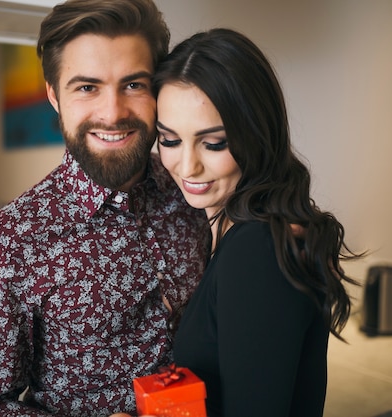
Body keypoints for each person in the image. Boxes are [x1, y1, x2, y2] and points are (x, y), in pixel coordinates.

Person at [0, 1, 210, 416]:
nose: (112, 113)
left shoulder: (195, 193)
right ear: (54, 95)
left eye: (133, 85)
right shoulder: (6, 244)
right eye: (87, 87)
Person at [153, 28, 363, 417]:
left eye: (213, 143)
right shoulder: (233, 232)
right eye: (169, 140)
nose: (186, 166)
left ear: (256, 133)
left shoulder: (256, 250)